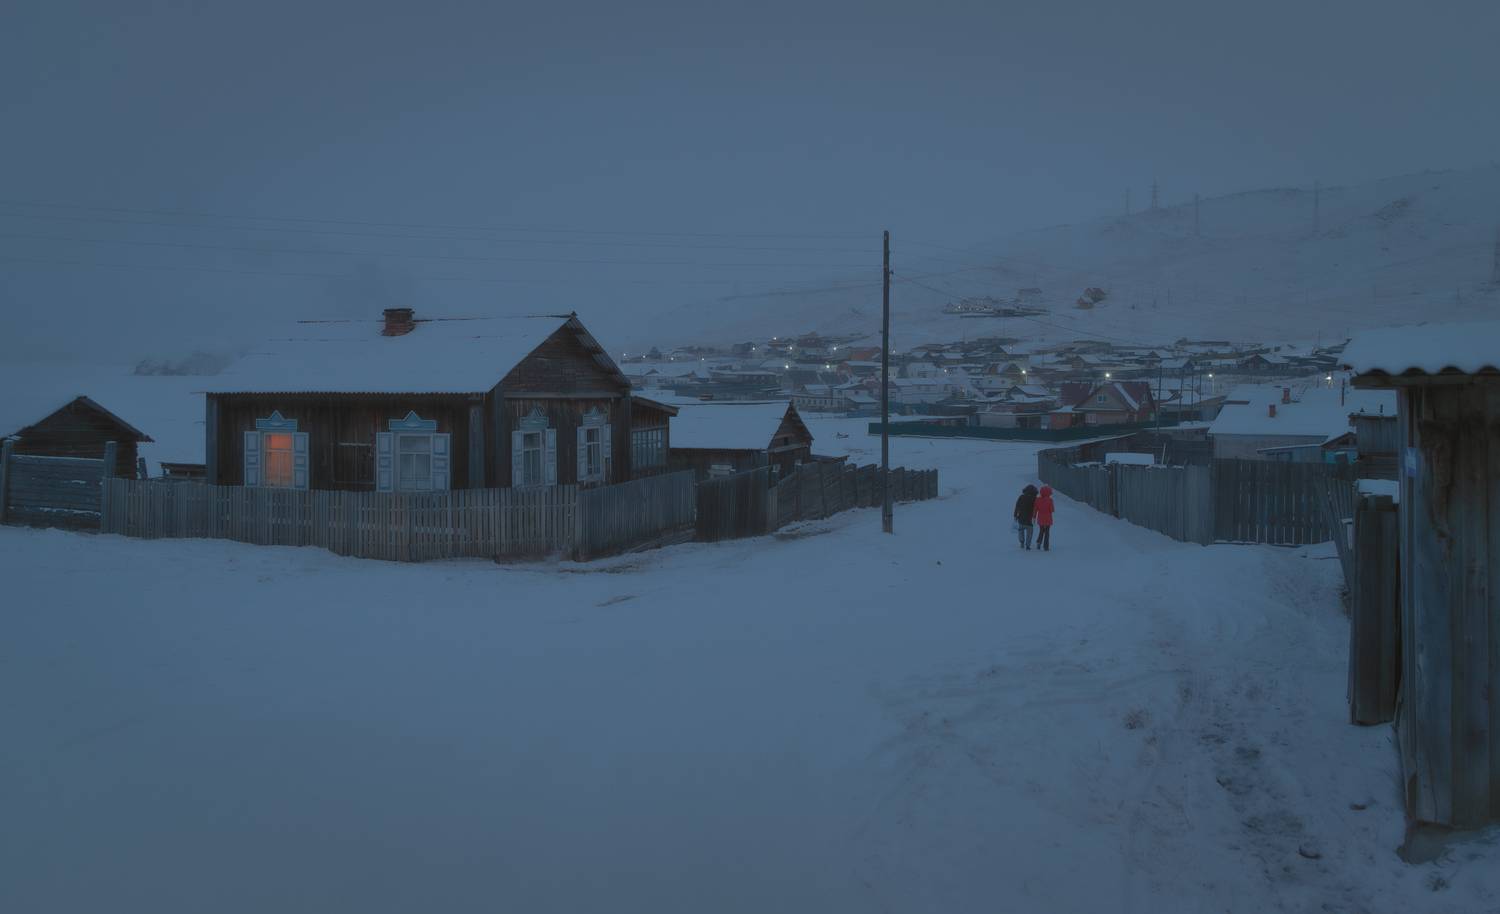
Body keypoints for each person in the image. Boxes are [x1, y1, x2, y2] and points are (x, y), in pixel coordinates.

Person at [1013, 484, 1038, 549]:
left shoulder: (1021, 497)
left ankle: (1022, 542)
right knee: (1029, 532)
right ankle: (1028, 545)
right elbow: (1036, 508)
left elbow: (1017, 506)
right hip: (1030, 519)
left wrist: (1015, 515)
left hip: (1021, 518)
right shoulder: (1035, 499)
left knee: (1021, 530)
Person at [1033, 485, 1055, 551]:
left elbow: (1035, 509)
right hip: (1048, 519)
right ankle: (1046, 546)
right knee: (1047, 532)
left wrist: (1034, 517)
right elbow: (1052, 510)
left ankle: (1039, 542)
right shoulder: (1050, 500)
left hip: (1040, 518)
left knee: (1041, 531)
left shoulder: (1037, 499)